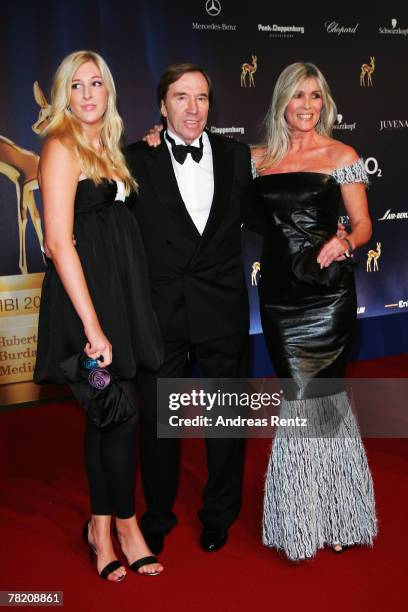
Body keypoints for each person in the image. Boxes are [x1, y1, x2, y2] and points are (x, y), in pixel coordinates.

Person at [33, 50, 164, 580]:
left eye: (97, 84)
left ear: (108, 92)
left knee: (110, 419)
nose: (88, 94)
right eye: (77, 86)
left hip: (117, 302)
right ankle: (115, 529)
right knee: (119, 414)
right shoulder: (60, 147)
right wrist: (93, 328)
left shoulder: (105, 147)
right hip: (86, 309)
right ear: (65, 95)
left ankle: (107, 527)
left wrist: (152, 141)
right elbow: (59, 242)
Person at [125, 63, 253, 555]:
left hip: (222, 308)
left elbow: (270, 212)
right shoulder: (135, 159)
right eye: (181, 97)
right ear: (162, 106)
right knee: (160, 420)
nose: (193, 108)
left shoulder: (237, 155)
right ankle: (157, 512)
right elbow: (106, 219)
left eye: (201, 97)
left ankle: (220, 512)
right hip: (161, 313)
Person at [251, 61, 377, 560]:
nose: (307, 106)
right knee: (300, 398)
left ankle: (338, 512)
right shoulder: (256, 159)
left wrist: (344, 240)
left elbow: (365, 224)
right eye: (298, 96)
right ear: (282, 101)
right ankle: (305, 517)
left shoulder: (343, 154)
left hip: (326, 295)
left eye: (316, 96)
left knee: (323, 399)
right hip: (280, 298)